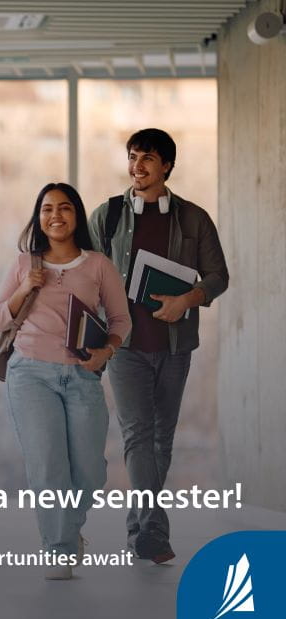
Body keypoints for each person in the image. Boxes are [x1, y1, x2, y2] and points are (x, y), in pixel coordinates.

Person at [89, 128, 229, 563]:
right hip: (125, 345)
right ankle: (153, 531)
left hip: (175, 345)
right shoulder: (107, 215)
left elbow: (218, 276)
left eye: (147, 158)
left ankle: (138, 526)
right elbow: (84, 272)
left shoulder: (194, 218)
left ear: (166, 165)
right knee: (137, 435)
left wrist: (187, 299)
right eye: (132, 157)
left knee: (161, 440)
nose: (137, 166)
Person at [0, 183, 131, 580]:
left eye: (65, 208)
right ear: (38, 217)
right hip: (30, 374)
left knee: (89, 472)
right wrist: (24, 287)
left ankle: (67, 529)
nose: (56, 215)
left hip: (82, 374)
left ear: (77, 215)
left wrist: (107, 352)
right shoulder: (24, 263)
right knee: (48, 466)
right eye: (47, 208)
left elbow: (122, 320)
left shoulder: (99, 265)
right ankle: (60, 548)